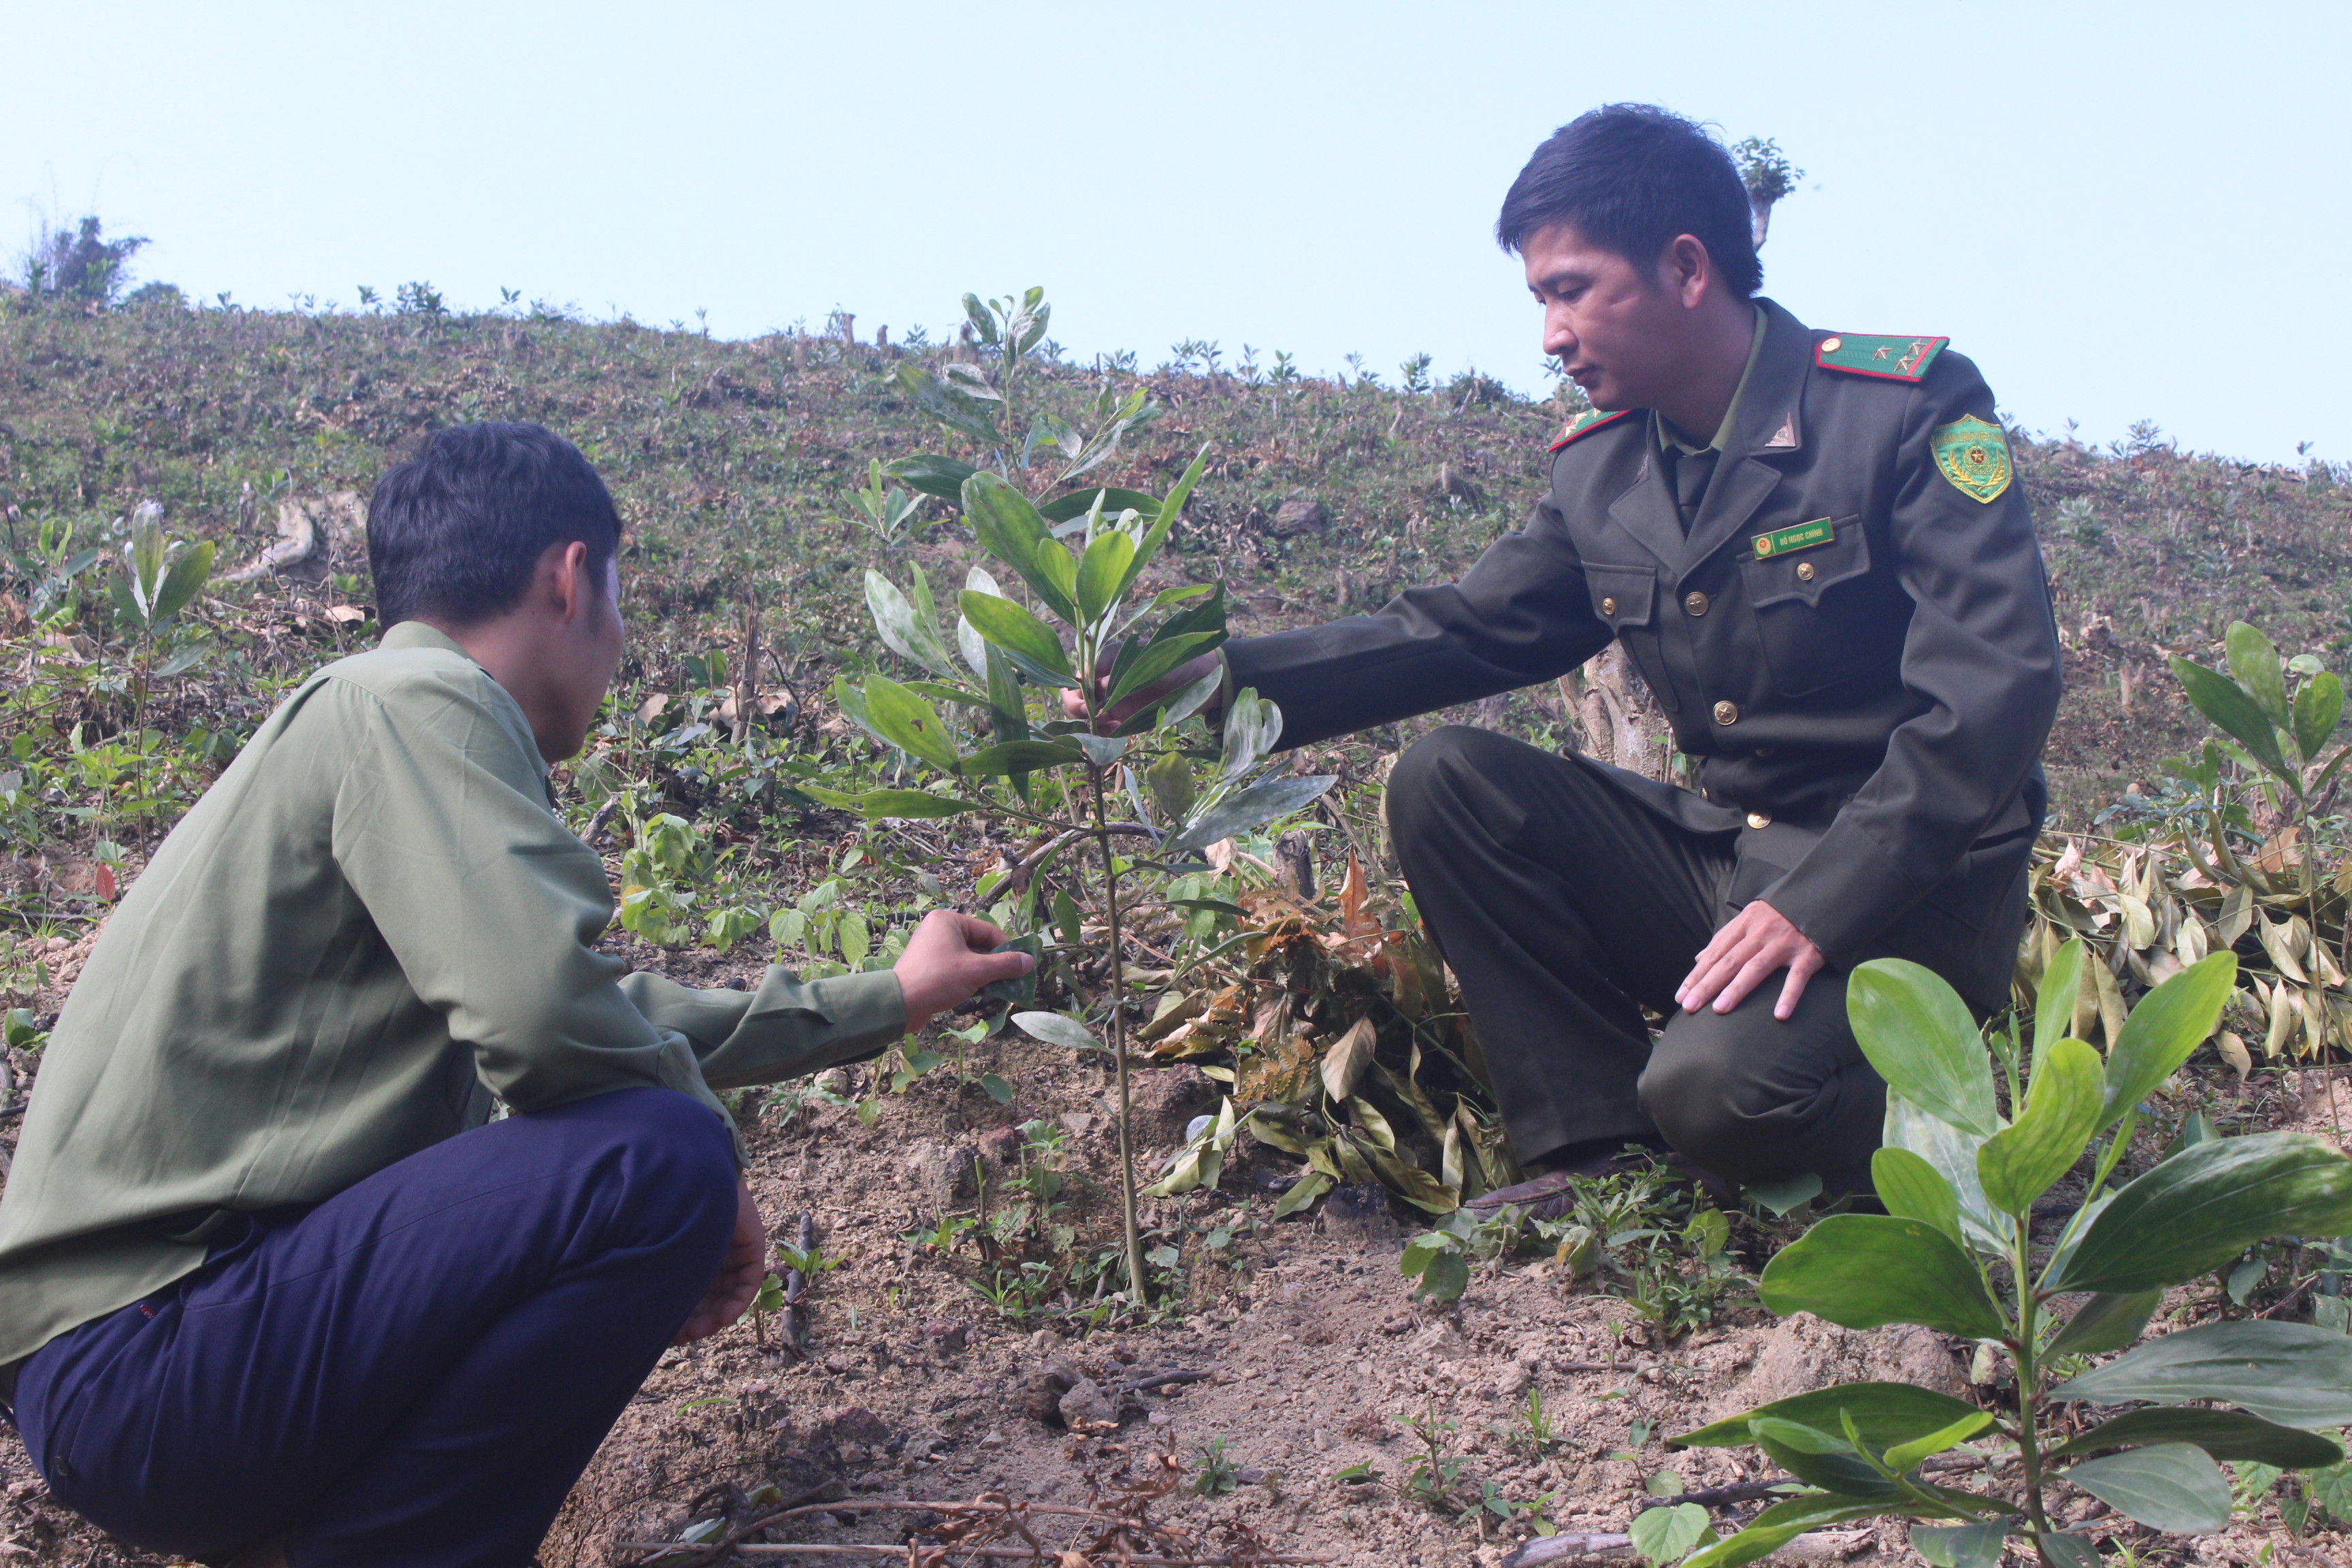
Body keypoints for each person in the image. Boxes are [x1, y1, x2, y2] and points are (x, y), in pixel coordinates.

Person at [0, 422, 1034, 1566]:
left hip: (145, 1371)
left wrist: (888, 996)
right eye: (622, 597)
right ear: (570, 575)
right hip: (157, 1354)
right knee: (658, 1157)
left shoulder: (367, 717)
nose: (622, 638)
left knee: (649, 1138)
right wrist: (707, 1165)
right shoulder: (411, 699)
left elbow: (592, 1007)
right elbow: (550, 1019)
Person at [1095, 105, 2062, 1213]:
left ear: (1687, 268)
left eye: (1570, 290)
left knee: (1711, 1095)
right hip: (1734, 872)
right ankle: (1596, 1154)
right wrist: (1198, 688)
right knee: (1449, 779)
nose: (1549, 336)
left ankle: (1950, 1117)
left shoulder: (1899, 414)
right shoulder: (1604, 473)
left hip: (1908, 905)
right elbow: (1454, 634)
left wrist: (1825, 905)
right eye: (1540, 299)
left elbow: (1997, 689)